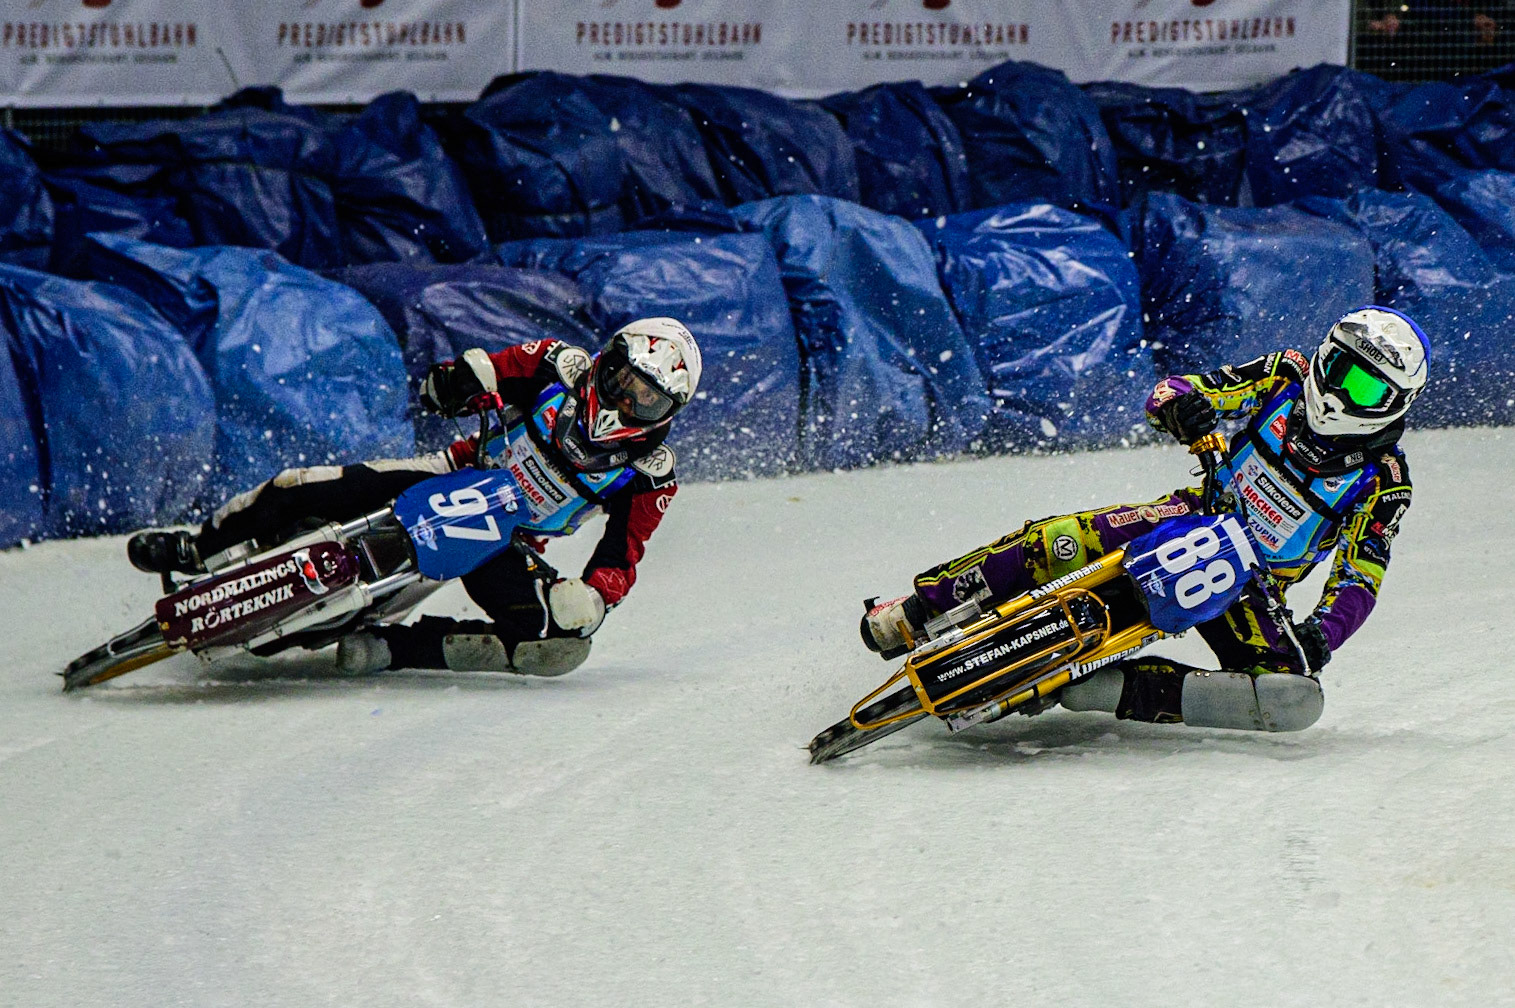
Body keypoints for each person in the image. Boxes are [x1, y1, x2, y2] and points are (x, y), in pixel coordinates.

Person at [860, 307, 1429, 731]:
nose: (1336, 392)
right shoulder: (1285, 374)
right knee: (1057, 540)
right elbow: (1175, 389)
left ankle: (1094, 689)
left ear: (1394, 402)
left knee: (1292, 696)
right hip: (1191, 512)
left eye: (1363, 386)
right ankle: (915, 611)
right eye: (1336, 367)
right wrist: (1184, 407)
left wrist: (1321, 634)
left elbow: (1360, 575)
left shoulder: (1385, 481)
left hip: (1253, 586)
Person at [126, 317, 701, 678]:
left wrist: (594, 599)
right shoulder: (560, 364)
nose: (625, 402)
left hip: (502, 538)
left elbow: (621, 557)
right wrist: (459, 381)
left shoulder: (651, 474)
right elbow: (489, 371)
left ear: (666, 413)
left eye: (644, 400)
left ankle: (396, 649)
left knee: (555, 648)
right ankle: (196, 547)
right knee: (295, 486)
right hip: (451, 471)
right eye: (624, 380)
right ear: (606, 362)